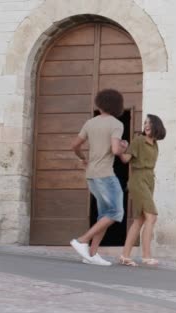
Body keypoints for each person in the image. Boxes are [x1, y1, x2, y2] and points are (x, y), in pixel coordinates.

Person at [70, 89, 128, 266]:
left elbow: (74, 145)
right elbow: (116, 150)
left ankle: (92, 254)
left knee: (104, 214)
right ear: (117, 105)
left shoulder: (90, 123)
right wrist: (124, 146)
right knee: (116, 212)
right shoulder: (116, 124)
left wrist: (83, 159)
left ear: (100, 103)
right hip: (105, 175)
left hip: (92, 175)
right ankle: (82, 241)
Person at [118, 114, 166, 267]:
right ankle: (146, 256)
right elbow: (126, 159)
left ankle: (125, 256)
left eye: (150, 123)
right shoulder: (139, 140)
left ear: (156, 126)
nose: (146, 125)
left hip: (149, 179)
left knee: (140, 219)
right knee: (151, 217)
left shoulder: (155, 144)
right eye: (145, 123)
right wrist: (120, 150)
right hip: (138, 179)